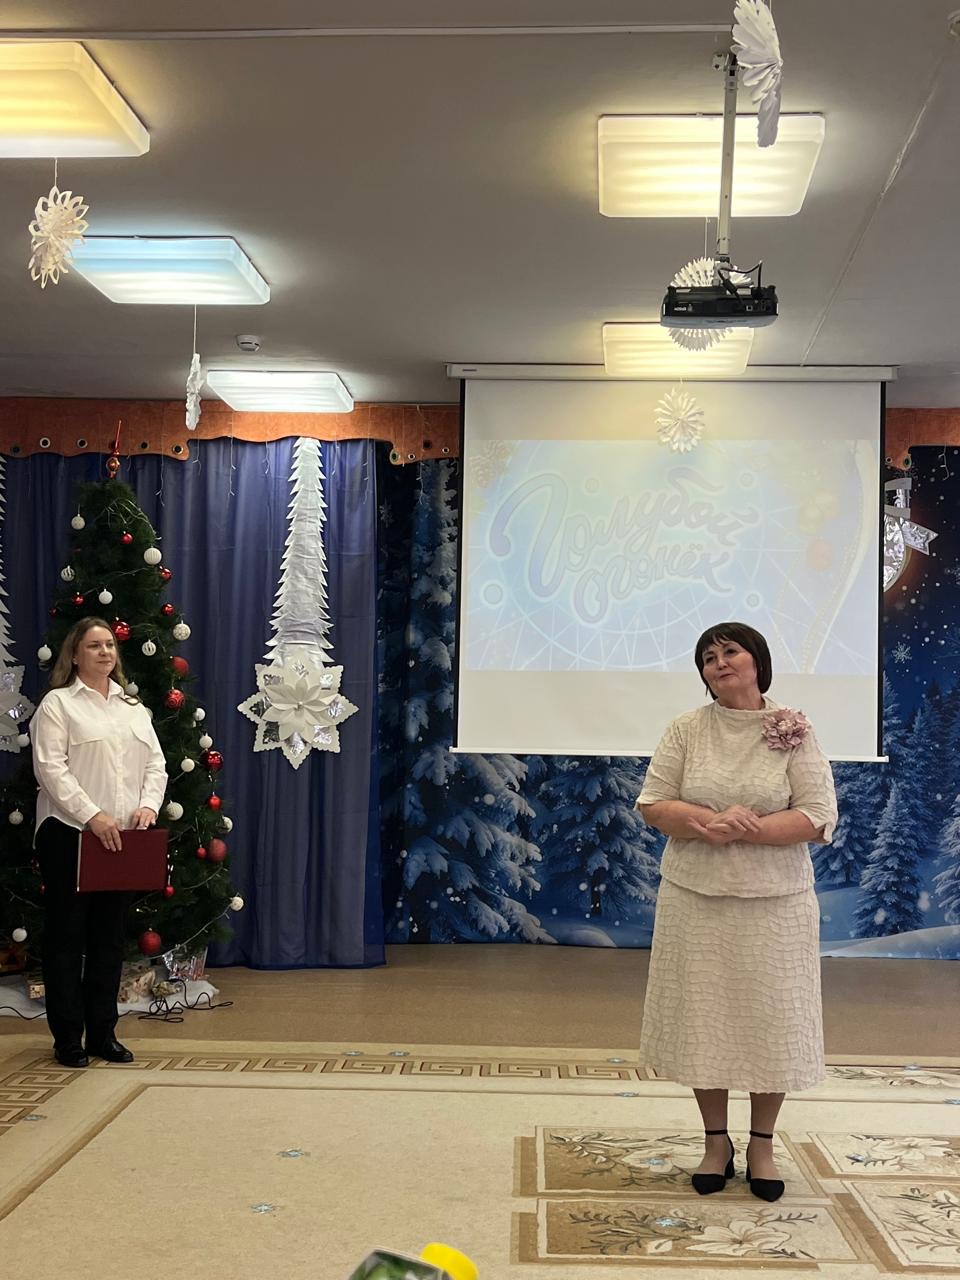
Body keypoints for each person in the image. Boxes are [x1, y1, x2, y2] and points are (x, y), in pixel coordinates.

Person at [636, 622, 837, 1202]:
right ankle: (716, 1142)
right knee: (704, 1020)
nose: (719, 662)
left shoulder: (793, 729)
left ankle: (763, 1145)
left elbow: (818, 815)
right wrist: (709, 822)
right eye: (708, 657)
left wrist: (748, 828)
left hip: (777, 905)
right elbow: (653, 803)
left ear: (757, 662)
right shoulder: (686, 728)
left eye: (730, 651)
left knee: (773, 1022)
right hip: (695, 899)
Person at [29, 617, 168, 1069]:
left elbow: (156, 765)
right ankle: (68, 1039)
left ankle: (103, 1035)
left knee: (109, 939)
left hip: (121, 839)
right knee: (67, 939)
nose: (105, 652)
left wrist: (148, 805)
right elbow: (51, 769)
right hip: (69, 834)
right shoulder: (58, 705)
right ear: (74, 655)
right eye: (94, 645)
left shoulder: (133, 709)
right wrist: (92, 815)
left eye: (109, 644)